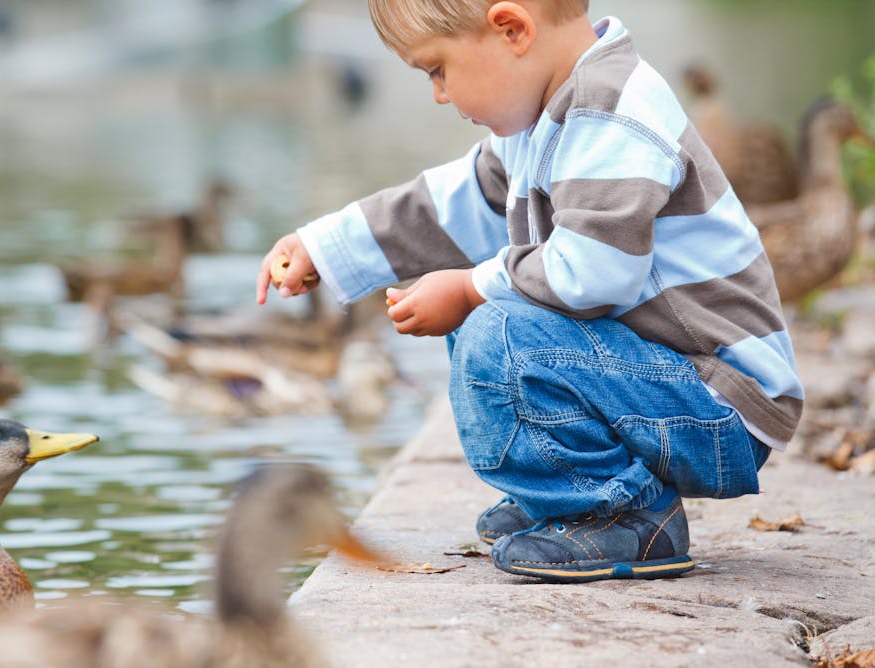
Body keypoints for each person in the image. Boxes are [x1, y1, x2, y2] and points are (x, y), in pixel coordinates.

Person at [254, 0, 801, 583]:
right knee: (483, 320)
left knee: (496, 330)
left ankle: (620, 511)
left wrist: (469, 288)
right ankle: (568, 486)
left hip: (721, 402)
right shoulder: (545, 119)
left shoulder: (613, 114)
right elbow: (450, 206)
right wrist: (329, 247)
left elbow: (594, 273)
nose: (439, 94)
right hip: (668, 385)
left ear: (512, 30)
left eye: (438, 69)